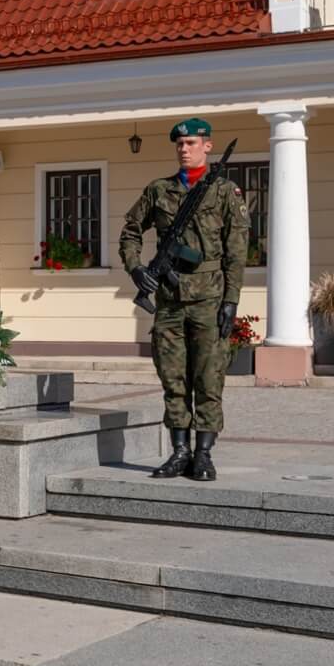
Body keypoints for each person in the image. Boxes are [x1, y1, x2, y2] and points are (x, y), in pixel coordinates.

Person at [118, 118, 248, 482]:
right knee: (173, 378)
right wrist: (136, 269)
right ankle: (179, 452)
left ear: (207, 146)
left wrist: (231, 300)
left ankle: (203, 455)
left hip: (209, 297)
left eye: (192, 143)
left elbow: (237, 253)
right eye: (180, 144)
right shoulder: (158, 191)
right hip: (170, 302)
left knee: (209, 377)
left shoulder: (224, 193)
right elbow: (130, 231)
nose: (184, 149)